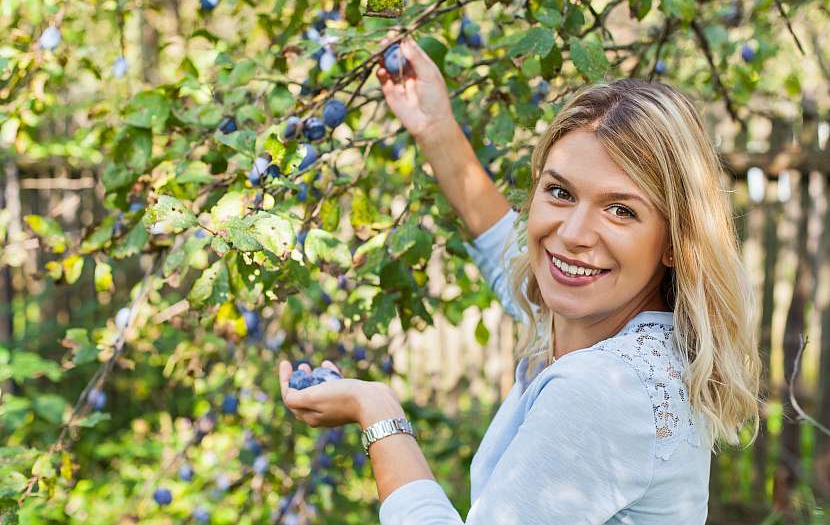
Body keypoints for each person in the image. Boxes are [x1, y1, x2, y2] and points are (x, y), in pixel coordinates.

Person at [278, 37, 762, 524]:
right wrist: (435, 128)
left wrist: (377, 412)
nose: (572, 235)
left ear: (676, 240)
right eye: (560, 192)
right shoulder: (622, 332)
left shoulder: (601, 389)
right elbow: (509, 257)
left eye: (620, 210)